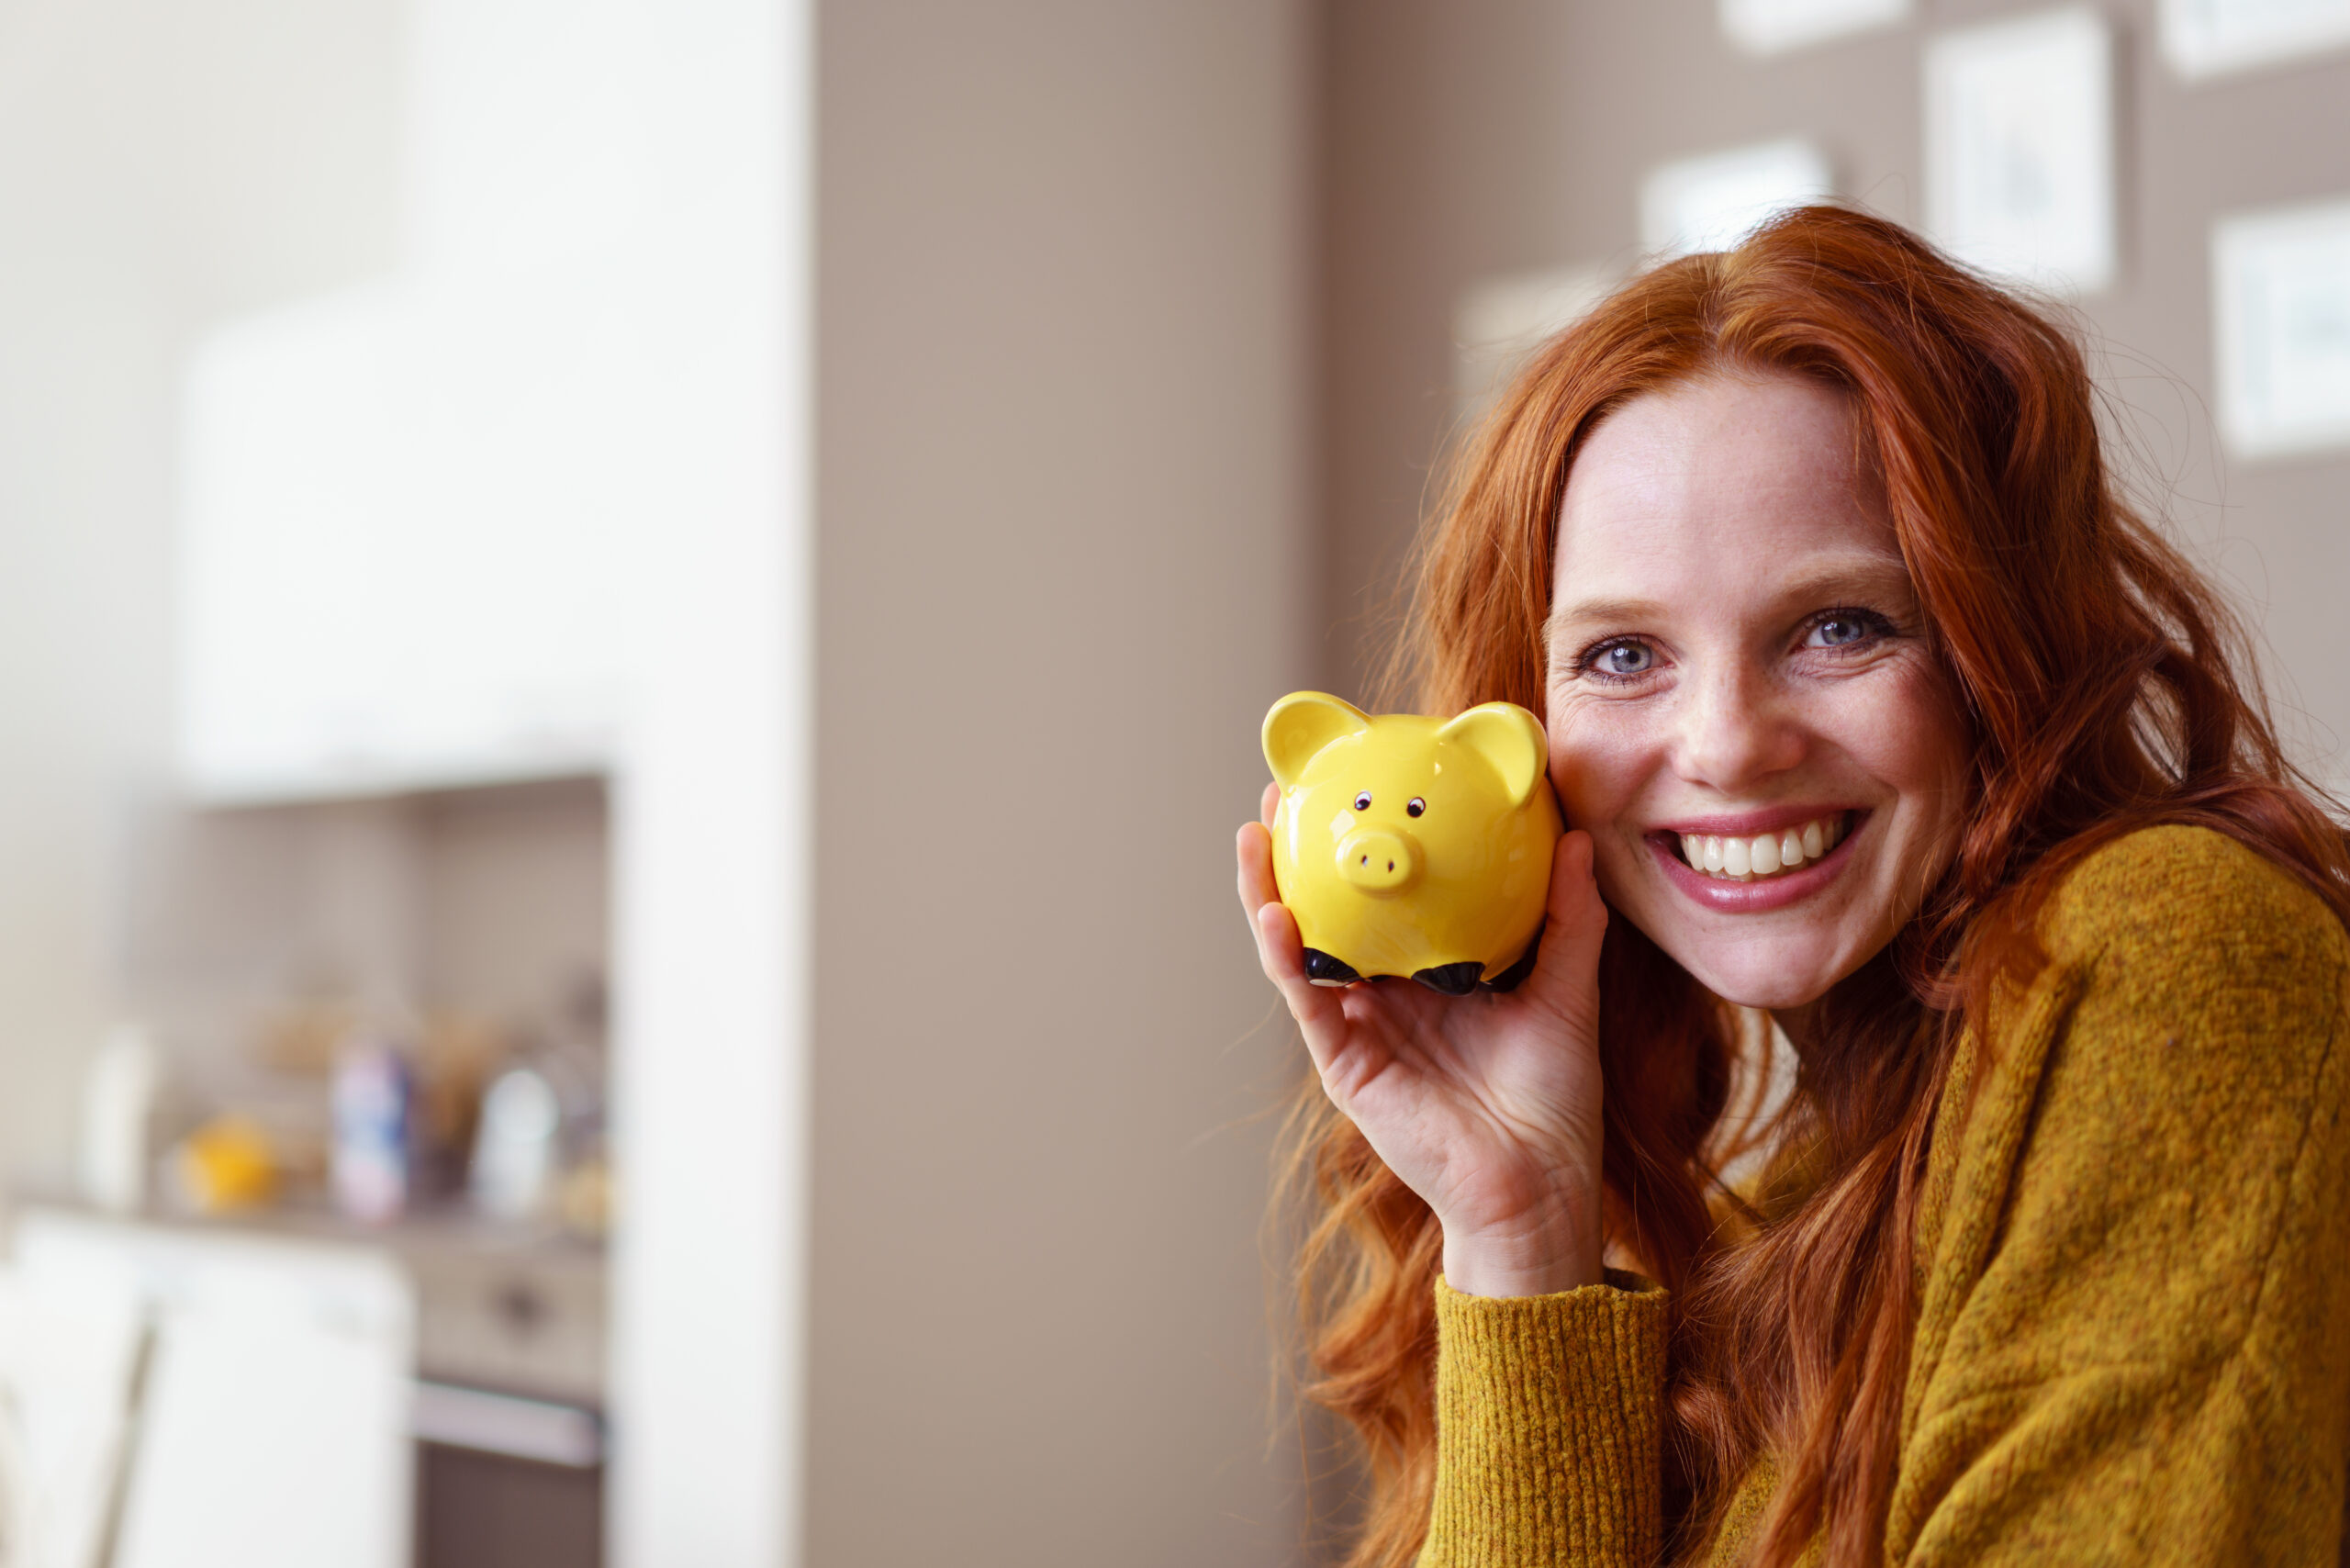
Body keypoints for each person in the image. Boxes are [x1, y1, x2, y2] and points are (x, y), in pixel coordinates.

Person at [1236, 206, 2350, 1568]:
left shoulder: (2173, 953)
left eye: (1839, 627)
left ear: (1995, 649)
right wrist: (1518, 1226)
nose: (1723, 748)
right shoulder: (1802, 1181)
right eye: (1624, 656)